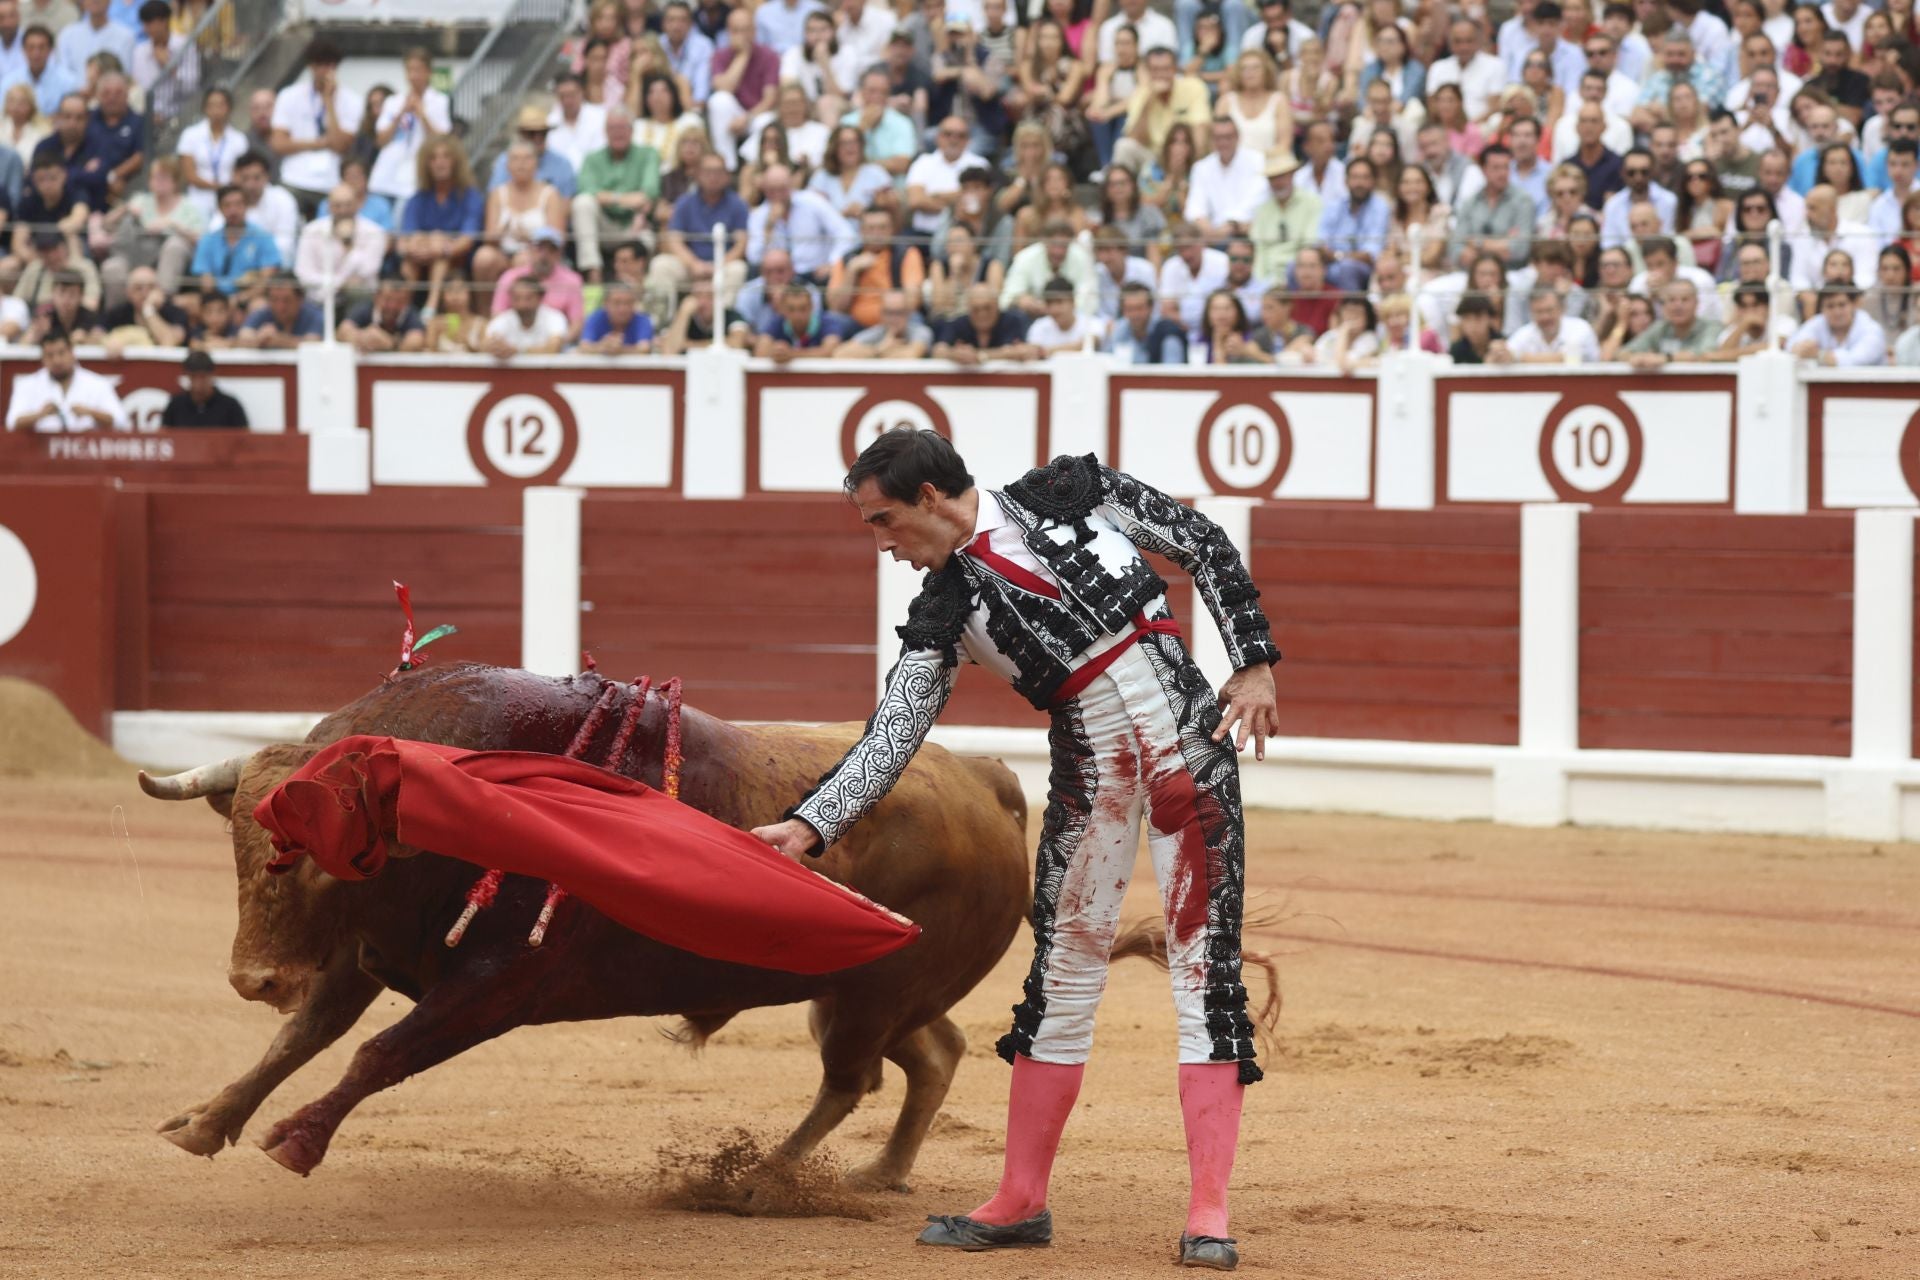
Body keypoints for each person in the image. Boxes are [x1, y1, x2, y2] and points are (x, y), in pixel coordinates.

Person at [750, 427, 1276, 1270]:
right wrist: (813, 823)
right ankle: (1020, 1201)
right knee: (1062, 976)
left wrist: (1252, 664)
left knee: (1203, 973)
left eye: (883, 522)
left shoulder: (1067, 491)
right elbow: (895, 732)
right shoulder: (944, 608)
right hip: (1089, 778)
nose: (884, 546)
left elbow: (1202, 543)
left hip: (1190, 754)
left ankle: (1208, 1213)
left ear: (928, 496)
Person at [647, 149, 748, 317]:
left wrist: (718, 265)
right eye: (708, 171)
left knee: (738, 269)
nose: (713, 176)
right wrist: (694, 264)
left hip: (723, 265)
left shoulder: (738, 204)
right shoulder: (684, 202)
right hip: (690, 266)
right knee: (661, 265)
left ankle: (726, 322)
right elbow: (674, 240)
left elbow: (741, 243)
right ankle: (662, 324)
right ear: (698, 174)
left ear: (727, 176)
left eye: (718, 172)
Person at [270, 41, 362, 217]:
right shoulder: (289, 95)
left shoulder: (352, 100)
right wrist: (320, 144)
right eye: (320, 65)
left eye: (330, 65)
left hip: (331, 181)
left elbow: (341, 146)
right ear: (311, 66)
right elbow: (279, 144)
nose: (325, 71)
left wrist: (329, 101)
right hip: (294, 179)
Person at [398, 135, 483, 314]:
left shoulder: (470, 196)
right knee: (409, 262)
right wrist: (420, 245)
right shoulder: (417, 199)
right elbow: (404, 240)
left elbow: (468, 239)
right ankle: (403, 311)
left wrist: (442, 247)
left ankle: (431, 307)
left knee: (440, 253)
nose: (440, 163)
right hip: (421, 257)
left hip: (456, 259)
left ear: (456, 162)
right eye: (433, 158)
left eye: (446, 157)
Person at [369, 46, 449, 207]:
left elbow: (442, 140)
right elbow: (380, 140)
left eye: (418, 70)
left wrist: (422, 115)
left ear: (428, 72)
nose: (413, 76)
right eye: (409, 70)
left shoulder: (439, 101)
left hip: (414, 178)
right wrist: (400, 114)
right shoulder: (393, 102)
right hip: (386, 175)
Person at [6, 326, 124, 430]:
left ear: (72, 352)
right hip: (39, 452)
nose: (57, 361)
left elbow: (121, 422)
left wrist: (90, 413)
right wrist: (40, 415)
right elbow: (12, 424)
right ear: (43, 358)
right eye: (50, 355)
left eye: (61, 353)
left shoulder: (97, 384)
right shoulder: (28, 385)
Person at [293, 181, 387, 307]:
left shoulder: (375, 232)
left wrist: (348, 245)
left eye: (348, 205)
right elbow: (304, 274)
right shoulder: (311, 231)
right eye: (337, 206)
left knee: (357, 292)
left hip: (359, 300)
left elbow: (368, 270)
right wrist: (340, 283)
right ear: (328, 207)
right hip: (319, 299)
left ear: (358, 204)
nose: (343, 210)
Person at [492, 225, 586, 338]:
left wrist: (556, 345)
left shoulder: (572, 281)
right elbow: (498, 317)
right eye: (540, 248)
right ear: (530, 250)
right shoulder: (509, 277)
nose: (544, 255)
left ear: (559, 254)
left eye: (551, 250)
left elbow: (576, 324)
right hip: (514, 343)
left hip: (557, 345)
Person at [1184, 117, 1265, 242]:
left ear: (1238, 137)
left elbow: (1256, 201)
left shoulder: (1257, 161)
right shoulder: (1201, 167)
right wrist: (1210, 231)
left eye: (1228, 137)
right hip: (1211, 236)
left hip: (1246, 234)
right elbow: (1195, 209)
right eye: (1218, 138)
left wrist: (1230, 225)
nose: (1223, 142)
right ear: (1212, 140)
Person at [190, 183, 278, 298]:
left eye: (238, 204)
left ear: (246, 206)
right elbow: (206, 282)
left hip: (250, 299)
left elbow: (266, 279)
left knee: (258, 307)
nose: (233, 210)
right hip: (216, 301)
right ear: (219, 208)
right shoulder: (208, 239)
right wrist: (222, 304)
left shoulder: (263, 237)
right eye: (227, 205)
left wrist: (241, 299)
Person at [486, 103, 580, 197]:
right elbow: (495, 197)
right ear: (521, 134)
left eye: (542, 133)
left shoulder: (561, 163)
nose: (537, 138)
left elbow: (567, 199)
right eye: (532, 133)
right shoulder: (505, 161)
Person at [1622, 277, 1721, 365]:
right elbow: (1624, 352)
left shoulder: (1711, 327)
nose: (1678, 306)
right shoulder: (1660, 328)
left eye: (1685, 300)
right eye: (1672, 300)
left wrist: (1666, 358)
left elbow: (1706, 354)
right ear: (1663, 305)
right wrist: (1637, 358)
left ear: (1697, 303)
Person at [1490, 286, 1601, 361]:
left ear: (1562, 308)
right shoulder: (1525, 333)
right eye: (1539, 312)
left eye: (1549, 310)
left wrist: (1516, 357)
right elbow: (1503, 356)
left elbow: (1566, 359)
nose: (1545, 317)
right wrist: (1498, 353)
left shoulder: (1580, 328)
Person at [1788, 282, 1886, 364]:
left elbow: (1856, 361)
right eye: (1830, 306)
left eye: (1842, 305)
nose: (1837, 312)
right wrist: (1800, 348)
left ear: (1854, 305)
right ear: (1822, 309)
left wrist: (1819, 355)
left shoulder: (1871, 329)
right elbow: (1792, 345)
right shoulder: (1818, 322)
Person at [753, 280, 856, 359]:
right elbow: (760, 351)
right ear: (782, 309)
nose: (797, 315)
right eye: (791, 309)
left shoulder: (827, 322)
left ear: (811, 306)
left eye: (803, 309)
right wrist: (776, 352)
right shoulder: (777, 322)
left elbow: (830, 351)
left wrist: (791, 354)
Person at [934, 282, 1033, 361]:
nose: (982, 314)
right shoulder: (959, 323)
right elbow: (938, 350)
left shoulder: (1012, 321)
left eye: (987, 308)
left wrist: (980, 356)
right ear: (968, 309)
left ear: (997, 305)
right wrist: (954, 354)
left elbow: (1024, 351)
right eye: (976, 309)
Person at [99, 263, 183, 346]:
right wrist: (109, 342)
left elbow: (171, 342)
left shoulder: (175, 312)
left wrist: (149, 310)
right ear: (128, 292)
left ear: (159, 290)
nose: (145, 293)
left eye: (151, 287)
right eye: (138, 288)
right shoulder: (117, 313)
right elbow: (95, 336)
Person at [1103, 279, 1187, 362]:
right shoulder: (1120, 329)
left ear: (1151, 308)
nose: (1134, 314)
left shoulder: (1168, 333)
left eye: (1139, 308)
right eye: (1129, 309)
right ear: (1123, 311)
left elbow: (1172, 371)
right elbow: (1106, 361)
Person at [483, 274, 569, 356]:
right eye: (517, 298)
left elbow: (553, 348)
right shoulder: (502, 320)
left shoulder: (555, 318)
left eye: (528, 298)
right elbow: (484, 345)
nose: (522, 304)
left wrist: (518, 351)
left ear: (540, 298)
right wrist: (494, 348)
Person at [832, 286, 929, 358]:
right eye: (889, 313)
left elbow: (911, 355)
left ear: (908, 313)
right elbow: (840, 353)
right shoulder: (877, 332)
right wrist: (880, 349)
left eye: (899, 313)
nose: (894, 318)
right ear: (882, 314)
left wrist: (874, 354)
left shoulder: (919, 331)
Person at [336, 275, 425, 353]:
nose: (392, 306)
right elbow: (343, 331)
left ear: (407, 301)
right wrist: (363, 338)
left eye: (399, 301)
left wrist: (390, 343)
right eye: (387, 300)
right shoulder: (365, 308)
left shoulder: (410, 313)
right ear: (376, 297)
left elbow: (416, 342)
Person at [159, 349, 247, 427]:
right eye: (194, 377)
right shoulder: (176, 405)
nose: (198, 383)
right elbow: (166, 439)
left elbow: (244, 440)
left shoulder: (230, 407)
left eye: (203, 377)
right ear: (187, 376)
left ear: (212, 375)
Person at [237, 272, 325, 348]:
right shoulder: (264, 312)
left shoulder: (315, 315)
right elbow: (243, 336)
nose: (280, 306)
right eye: (274, 300)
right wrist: (260, 338)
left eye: (287, 300)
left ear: (300, 299)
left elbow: (313, 344)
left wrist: (279, 340)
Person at [1023, 273, 1096, 353]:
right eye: (1049, 303)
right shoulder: (1039, 327)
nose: (1054, 309)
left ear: (1073, 302)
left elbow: (1090, 343)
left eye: (1059, 302)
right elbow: (1032, 352)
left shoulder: (1090, 323)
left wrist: (1045, 351)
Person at [579, 278, 654, 352]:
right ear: (605, 303)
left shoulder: (642, 320)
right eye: (616, 303)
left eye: (628, 303)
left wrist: (620, 350)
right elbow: (584, 347)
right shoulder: (595, 318)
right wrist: (602, 347)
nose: (622, 309)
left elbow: (644, 349)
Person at [1448, 290, 1502, 362]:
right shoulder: (1457, 350)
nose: (1472, 325)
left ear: (1490, 318)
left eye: (1478, 318)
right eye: (1466, 318)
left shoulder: (1504, 344)